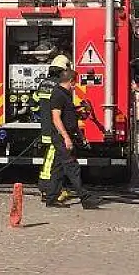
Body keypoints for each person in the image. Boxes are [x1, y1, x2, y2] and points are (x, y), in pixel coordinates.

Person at [44, 69, 99, 209]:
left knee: (58, 169)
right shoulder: (58, 95)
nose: (76, 86)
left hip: (66, 135)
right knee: (72, 167)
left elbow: (68, 116)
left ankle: (51, 198)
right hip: (61, 137)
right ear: (71, 81)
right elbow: (56, 118)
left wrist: (78, 112)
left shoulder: (66, 95)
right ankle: (85, 198)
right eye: (75, 83)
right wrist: (66, 137)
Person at [36, 55, 72, 202]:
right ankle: (46, 188)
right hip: (55, 129)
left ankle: (54, 188)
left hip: (45, 127)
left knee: (52, 158)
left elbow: (35, 103)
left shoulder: (43, 83)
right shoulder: (60, 86)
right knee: (51, 159)